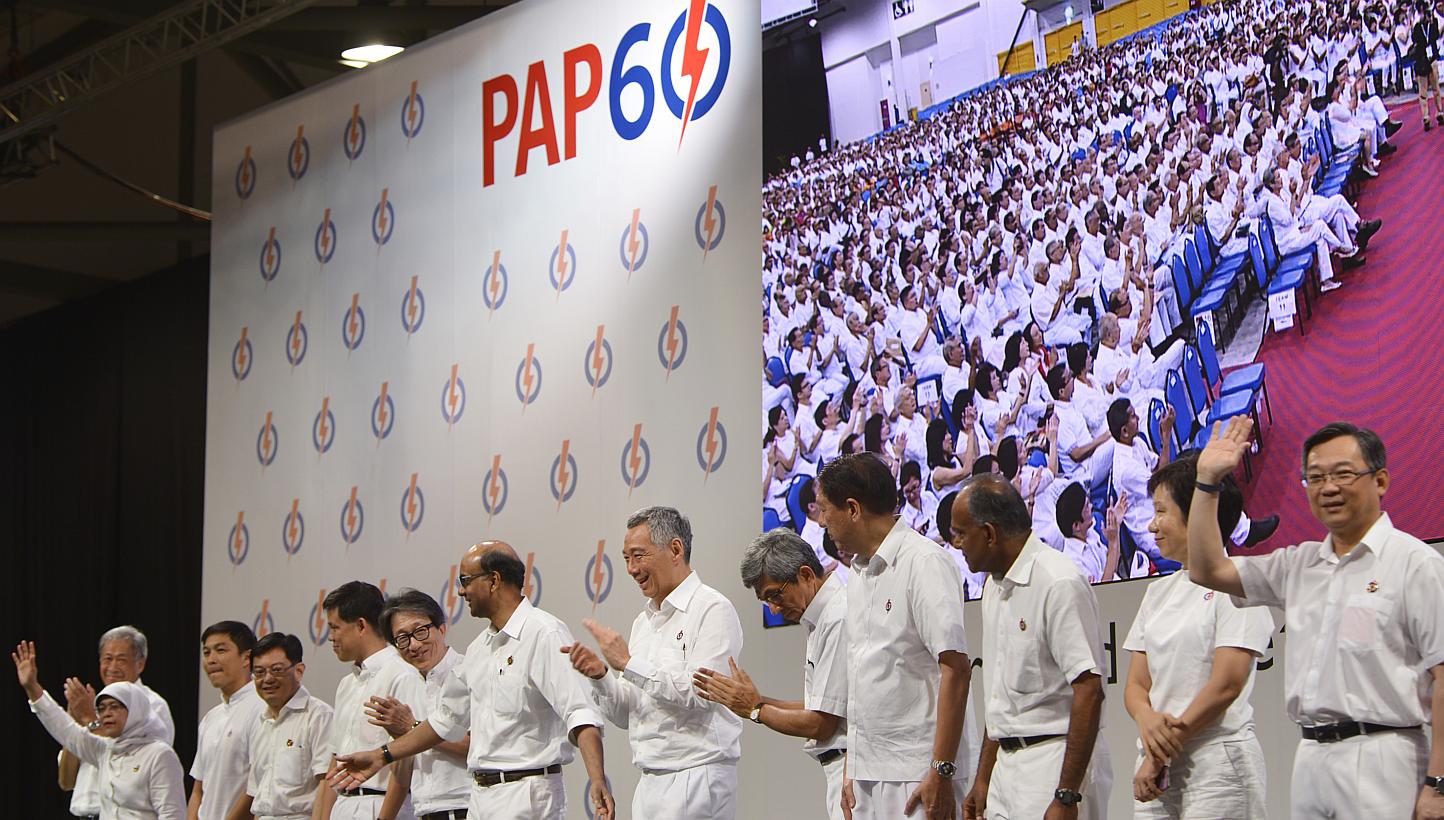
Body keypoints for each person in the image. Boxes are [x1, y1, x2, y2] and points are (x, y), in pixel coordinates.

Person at [1186, 418, 1444, 820]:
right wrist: (1207, 482)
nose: (1328, 488)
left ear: (1380, 481)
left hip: (1384, 756)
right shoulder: (1299, 564)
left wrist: (1438, 783)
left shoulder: (1415, 564)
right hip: (1310, 756)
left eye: (1343, 474)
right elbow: (1206, 570)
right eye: (1315, 477)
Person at [332, 544, 615, 820]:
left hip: (528, 795)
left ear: (494, 580)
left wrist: (597, 778)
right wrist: (382, 755)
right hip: (480, 797)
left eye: (466, 580)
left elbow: (580, 712)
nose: (460, 590)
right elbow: (444, 720)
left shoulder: (544, 633)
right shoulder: (480, 648)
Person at [813, 453, 977, 820]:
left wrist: (941, 769)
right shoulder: (857, 573)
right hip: (868, 774)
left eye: (825, 510)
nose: (822, 521)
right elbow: (862, 678)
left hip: (918, 771)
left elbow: (956, 669)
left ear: (852, 508)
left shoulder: (924, 563)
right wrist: (850, 767)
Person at [563, 507, 744, 820]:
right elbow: (626, 713)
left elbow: (701, 694)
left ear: (675, 549)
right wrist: (602, 675)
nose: (632, 569)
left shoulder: (712, 609)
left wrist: (628, 663)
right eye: (626, 559)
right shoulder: (643, 623)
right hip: (649, 782)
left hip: (696, 777)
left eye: (638, 555)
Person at [950, 475, 1112, 820]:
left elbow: (1089, 690)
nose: (956, 542)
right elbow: (1000, 701)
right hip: (1005, 773)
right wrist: (983, 780)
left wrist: (1067, 794)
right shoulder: (993, 587)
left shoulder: (1058, 582)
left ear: (990, 534)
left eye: (962, 533)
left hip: (1054, 765)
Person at [1123, 456, 1274, 818]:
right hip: (1155, 766)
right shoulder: (1158, 593)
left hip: (1218, 761)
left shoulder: (1239, 583)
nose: (1152, 524)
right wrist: (1147, 722)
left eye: (1162, 511)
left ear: (1198, 513)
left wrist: (1162, 751)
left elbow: (1226, 685)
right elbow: (1135, 686)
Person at [693, 529, 849, 820]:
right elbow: (823, 707)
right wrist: (756, 700)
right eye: (767, 602)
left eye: (775, 595)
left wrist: (754, 709)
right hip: (840, 772)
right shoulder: (821, 617)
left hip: (854, 772)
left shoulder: (837, 617)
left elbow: (822, 723)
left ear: (805, 574)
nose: (775, 610)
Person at [15, 641, 185, 819]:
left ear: (135, 710)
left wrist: (89, 717)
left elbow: (171, 814)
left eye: (115, 707)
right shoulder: (105, 750)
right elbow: (63, 728)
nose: (107, 714)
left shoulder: (159, 754)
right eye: (102, 709)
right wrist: (32, 687)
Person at [315, 581, 427, 820]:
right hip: (343, 806)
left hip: (381, 805)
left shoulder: (402, 674)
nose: (331, 638)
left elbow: (405, 759)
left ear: (361, 625)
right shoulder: (346, 684)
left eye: (335, 628)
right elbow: (334, 764)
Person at [370, 590, 471, 820]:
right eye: (403, 638)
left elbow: (477, 745)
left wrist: (412, 727)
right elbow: (403, 766)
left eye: (420, 631)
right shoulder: (407, 685)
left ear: (442, 628)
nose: (414, 645)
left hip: (469, 807)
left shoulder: (468, 673)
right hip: (423, 811)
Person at [59, 625, 176, 820]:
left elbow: (128, 752)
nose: (112, 667)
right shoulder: (94, 705)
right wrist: (74, 724)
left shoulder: (152, 705)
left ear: (140, 664)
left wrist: (89, 719)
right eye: (107, 659)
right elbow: (66, 781)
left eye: (121, 660)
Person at [229, 632, 334, 820]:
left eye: (276, 670)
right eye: (259, 672)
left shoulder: (318, 716)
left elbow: (327, 785)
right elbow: (256, 794)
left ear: (299, 670)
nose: (267, 679)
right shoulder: (261, 722)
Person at [189, 621, 263, 820]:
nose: (211, 659)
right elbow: (198, 789)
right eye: (206, 652)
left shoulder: (262, 709)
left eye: (220, 650)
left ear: (247, 657)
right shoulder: (210, 718)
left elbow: (256, 786)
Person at [1414, 0, 1444, 130]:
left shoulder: (1434, 23)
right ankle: (1425, 116)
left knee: (1436, 88)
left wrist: (1431, 23)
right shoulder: (1416, 26)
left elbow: (1436, 36)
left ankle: (1440, 112)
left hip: (1432, 58)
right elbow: (1415, 40)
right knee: (1423, 91)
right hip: (1422, 60)